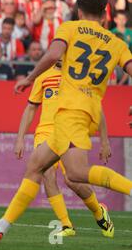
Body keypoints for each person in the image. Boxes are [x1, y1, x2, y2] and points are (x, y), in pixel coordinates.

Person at [0, 0, 132, 244]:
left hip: (70, 110)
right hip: (88, 111)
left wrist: (30, 77)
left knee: (76, 173)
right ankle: (0, 228)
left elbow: (52, 54)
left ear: (78, 10)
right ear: (105, 14)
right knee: (38, 168)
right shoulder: (117, 43)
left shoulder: (70, 29)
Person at [14, 60, 113, 237]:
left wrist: (104, 141)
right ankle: (66, 225)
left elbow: (97, 108)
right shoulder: (43, 76)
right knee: (47, 173)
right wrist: (20, 138)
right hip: (45, 132)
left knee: (73, 180)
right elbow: (30, 108)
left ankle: (99, 213)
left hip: (70, 130)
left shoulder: (79, 77)